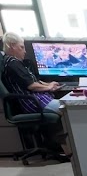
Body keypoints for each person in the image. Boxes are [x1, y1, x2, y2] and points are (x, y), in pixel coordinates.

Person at [1, 32, 68, 161]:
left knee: (65, 110)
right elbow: (31, 86)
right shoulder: (13, 64)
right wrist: (49, 87)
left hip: (37, 99)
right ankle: (68, 152)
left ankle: (63, 149)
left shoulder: (14, 63)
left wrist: (49, 85)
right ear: (11, 46)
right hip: (34, 102)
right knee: (68, 110)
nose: (25, 51)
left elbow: (33, 81)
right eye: (21, 47)